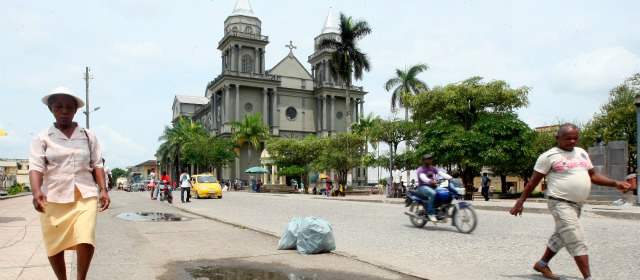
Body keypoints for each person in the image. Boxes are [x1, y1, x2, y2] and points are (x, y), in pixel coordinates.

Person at [510, 123, 631, 280]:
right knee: (575, 237)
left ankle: (542, 263)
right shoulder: (548, 156)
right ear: (557, 138)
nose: (573, 141)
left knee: (561, 235)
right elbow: (533, 182)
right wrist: (520, 202)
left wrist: (615, 183)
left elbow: (593, 176)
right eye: (568, 138)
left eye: (575, 138)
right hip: (559, 202)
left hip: (577, 204)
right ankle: (588, 277)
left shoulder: (581, 153)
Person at [28, 87, 110, 280]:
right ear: (51, 109)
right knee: (54, 243)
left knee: (86, 237)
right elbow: (36, 166)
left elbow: (97, 164)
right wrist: (36, 191)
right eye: (58, 107)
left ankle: (80, 278)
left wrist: (103, 190)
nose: (64, 111)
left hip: (85, 195)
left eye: (68, 107)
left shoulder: (88, 136)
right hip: (53, 198)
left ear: (75, 110)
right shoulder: (42, 138)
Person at [415, 153, 452, 222]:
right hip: (422, 187)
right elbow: (423, 178)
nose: (430, 160)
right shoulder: (420, 169)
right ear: (424, 161)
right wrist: (430, 181)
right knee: (433, 193)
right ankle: (430, 213)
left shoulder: (432, 168)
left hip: (433, 186)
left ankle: (442, 211)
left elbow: (441, 173)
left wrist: (451, 177)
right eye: (428, 159)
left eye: (431, 159)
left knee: (446, 192)